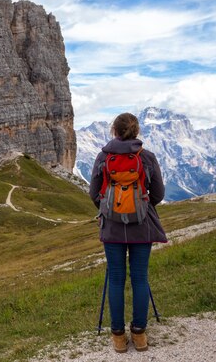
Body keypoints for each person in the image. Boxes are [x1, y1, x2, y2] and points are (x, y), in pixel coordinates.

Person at [89, 113, 167, 353]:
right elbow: (159, 194)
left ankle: (118, 337)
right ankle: (140, 334)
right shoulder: (147, 157)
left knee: (116, 278)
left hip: (112, 229)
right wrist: (141, 207)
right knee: (140, 278)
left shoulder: (103, 157)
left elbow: (94, 193)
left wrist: (110, 210)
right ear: (137, 131)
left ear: (114, 130)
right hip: (142, 227)